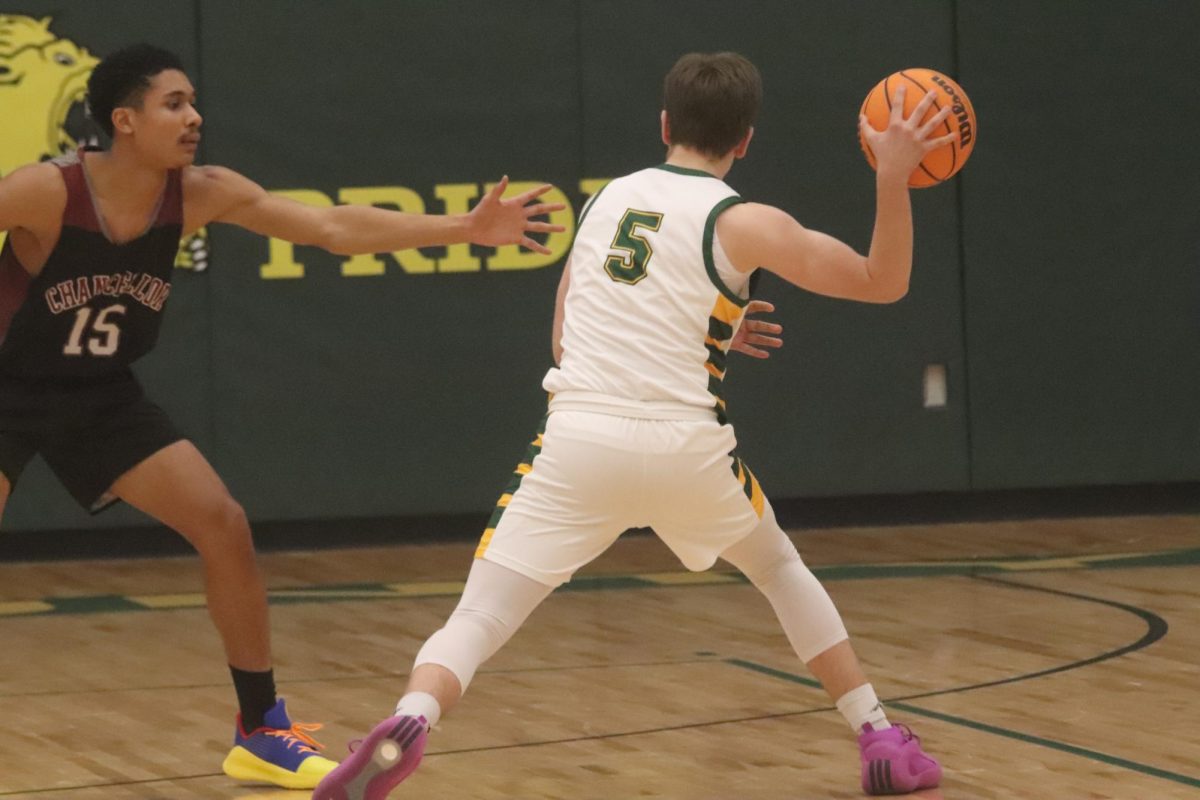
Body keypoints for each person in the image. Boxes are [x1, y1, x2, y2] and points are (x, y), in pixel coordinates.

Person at [315, 51, 951, 799]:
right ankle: (877, 734)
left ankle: (413, 717)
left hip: (579, 442)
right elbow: (886, 281)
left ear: (663, 125)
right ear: (746, 139)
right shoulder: (746, 221)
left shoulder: (606, 200)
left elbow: (564, 339)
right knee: (778, 568)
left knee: (483, 611)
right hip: (687, 450)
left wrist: (702, 324)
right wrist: (890, 175)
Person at [0, 43, 563, 790]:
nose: (194, 116)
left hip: (98, 393)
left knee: (221, 523)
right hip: (7, 387)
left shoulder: (199, 193)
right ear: (124, 121)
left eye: (194, 101)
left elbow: (329, 228)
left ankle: (260, 728)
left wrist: (462, 227)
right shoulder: (46, 191)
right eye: (174, 104)